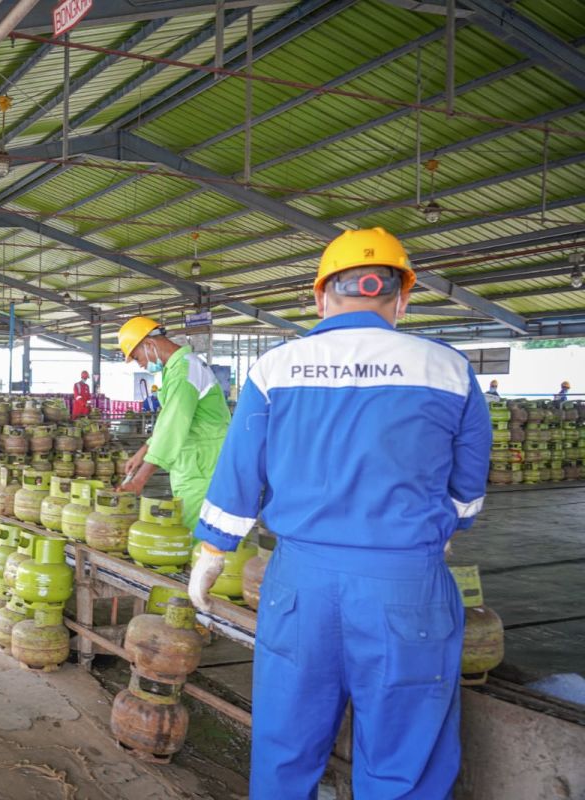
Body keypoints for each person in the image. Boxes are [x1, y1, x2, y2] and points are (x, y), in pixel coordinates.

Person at [190, 227, 491, 798]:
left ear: (321, 297)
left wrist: (212, 553)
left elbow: (237, 475)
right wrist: (438, 528)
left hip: (300, 585)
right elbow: (467, 491)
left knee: (285, 744)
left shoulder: (276, 368)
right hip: (406, 586)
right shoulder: (449, 369)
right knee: (405, 757)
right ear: (401, 297)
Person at [118, 317, 230, 531]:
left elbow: (173, 427)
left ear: (149, 344)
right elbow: (167, 420)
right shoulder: (177, 368)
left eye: (137, 357)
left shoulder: (184, 370)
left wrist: (139, 480)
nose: (140, 363)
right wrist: (141, 453)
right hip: (194, 462)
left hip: (205, 464)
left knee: (198, 533)